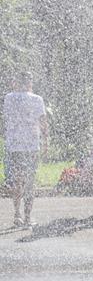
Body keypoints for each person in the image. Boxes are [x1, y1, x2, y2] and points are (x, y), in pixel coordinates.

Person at [2, 72, 48, 227]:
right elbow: (43, 122)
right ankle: (28, 217)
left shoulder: (9, 98)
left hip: (14, 146)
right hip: (31, 146)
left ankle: (17, 214)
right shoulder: (37, 99)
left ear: (17, 82)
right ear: (30, 82)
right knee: (30, 181)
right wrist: (46, 142)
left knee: (17, 180)